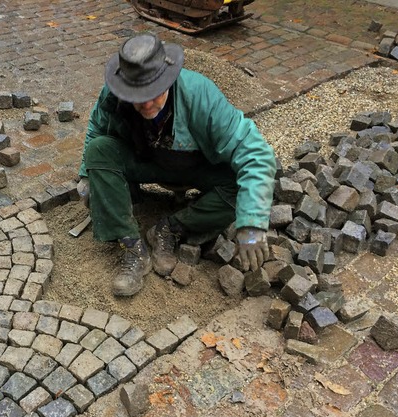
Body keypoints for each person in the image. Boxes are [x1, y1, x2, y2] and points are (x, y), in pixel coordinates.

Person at [77, 32, 276, 297]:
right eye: (138, 95)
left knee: (240, 188)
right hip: (145, 159)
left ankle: (170, 228)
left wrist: (252, 222)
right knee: (98, 151)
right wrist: (87, 176)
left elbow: (256, 152)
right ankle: (132, 246)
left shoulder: (201, 95)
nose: (146, 104)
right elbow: (97, 128)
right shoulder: (115, 93)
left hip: (194, 164)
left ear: (167, 80)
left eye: (154, 93)